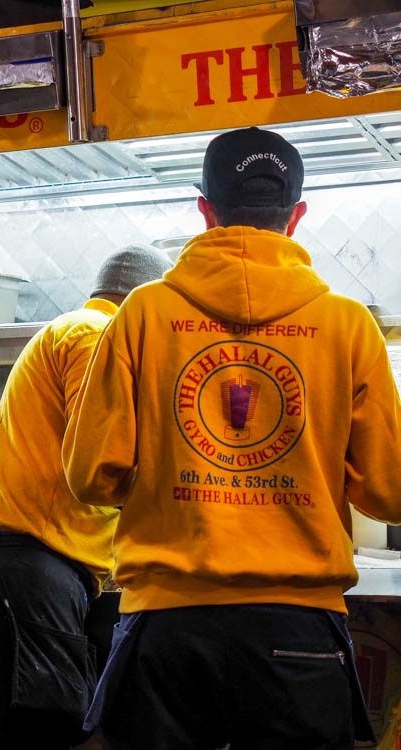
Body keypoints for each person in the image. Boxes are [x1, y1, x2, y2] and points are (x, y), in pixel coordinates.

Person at [65, 127, 401, 749]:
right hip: (298, 631)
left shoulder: (141, 314)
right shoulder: (349, 326)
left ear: (205, 210)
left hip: (167, 626)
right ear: (296, 215)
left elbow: (90, 476)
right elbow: (390, 492)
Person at [0, 245, 172, 750]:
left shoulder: (74, 330)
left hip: (6, 575)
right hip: (20, 576)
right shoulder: (97, 335)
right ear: (146, 303)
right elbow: (104, 457)